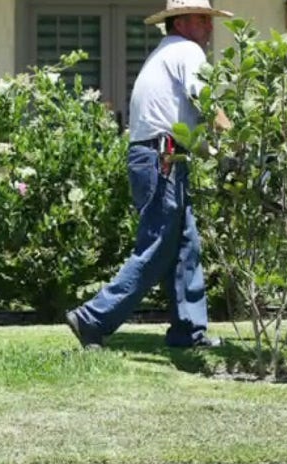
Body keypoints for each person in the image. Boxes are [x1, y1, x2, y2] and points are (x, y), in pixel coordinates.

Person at [65, 0, 233, 349]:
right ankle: (93, 317)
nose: (209, 27)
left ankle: (189, 331)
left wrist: (214, 153)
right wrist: (236, 142)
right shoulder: (187, 51)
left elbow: (176, 119)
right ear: (181, 22)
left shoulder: (164, 53)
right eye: (203, 19)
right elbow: (206, 101)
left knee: (185, 246)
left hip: (158, 156)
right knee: (157, 246)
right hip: (163, 159)